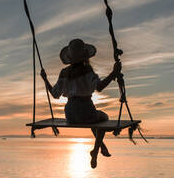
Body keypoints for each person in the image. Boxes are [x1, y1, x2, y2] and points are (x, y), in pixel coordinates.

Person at [40, 38, 121, 169]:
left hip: (70, 114)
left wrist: (45, 80)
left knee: (92, 120)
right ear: (85, 56)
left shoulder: (64, 72)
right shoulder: (87, 69)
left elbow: (55, 94)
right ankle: (96, 149)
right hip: (86, 110)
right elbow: (99, 87)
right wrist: (113, 73)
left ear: (70, 57)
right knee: (103, 118)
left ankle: (101, 147)